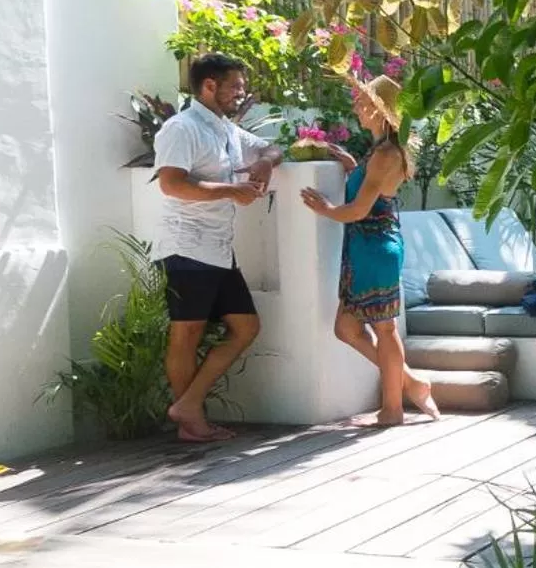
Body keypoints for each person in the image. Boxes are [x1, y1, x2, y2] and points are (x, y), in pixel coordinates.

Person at [151, 52, 283, 443]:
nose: (242, 95)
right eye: (236, 87)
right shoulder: (182, 128)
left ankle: (188, 404)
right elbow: (171, 184)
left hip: (219, 251)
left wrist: (267, 164)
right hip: (186, 247)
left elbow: (270, 147)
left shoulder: (225, 129)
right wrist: (231, 190)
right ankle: (191, 421)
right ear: (209, 86)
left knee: (246, 327)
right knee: (186, 334)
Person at [299, 75, 440, 427]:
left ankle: (392, 409)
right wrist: (352, 167)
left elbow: (360, 210)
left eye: (363, 101)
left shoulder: (387, 154)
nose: (356, 107)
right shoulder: (378, 152)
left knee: (385, 329)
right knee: (347, 328)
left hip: (375, 247)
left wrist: (326, 209)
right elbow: (370, 187)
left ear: (380, 109)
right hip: (366, 248)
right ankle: (412, 382)